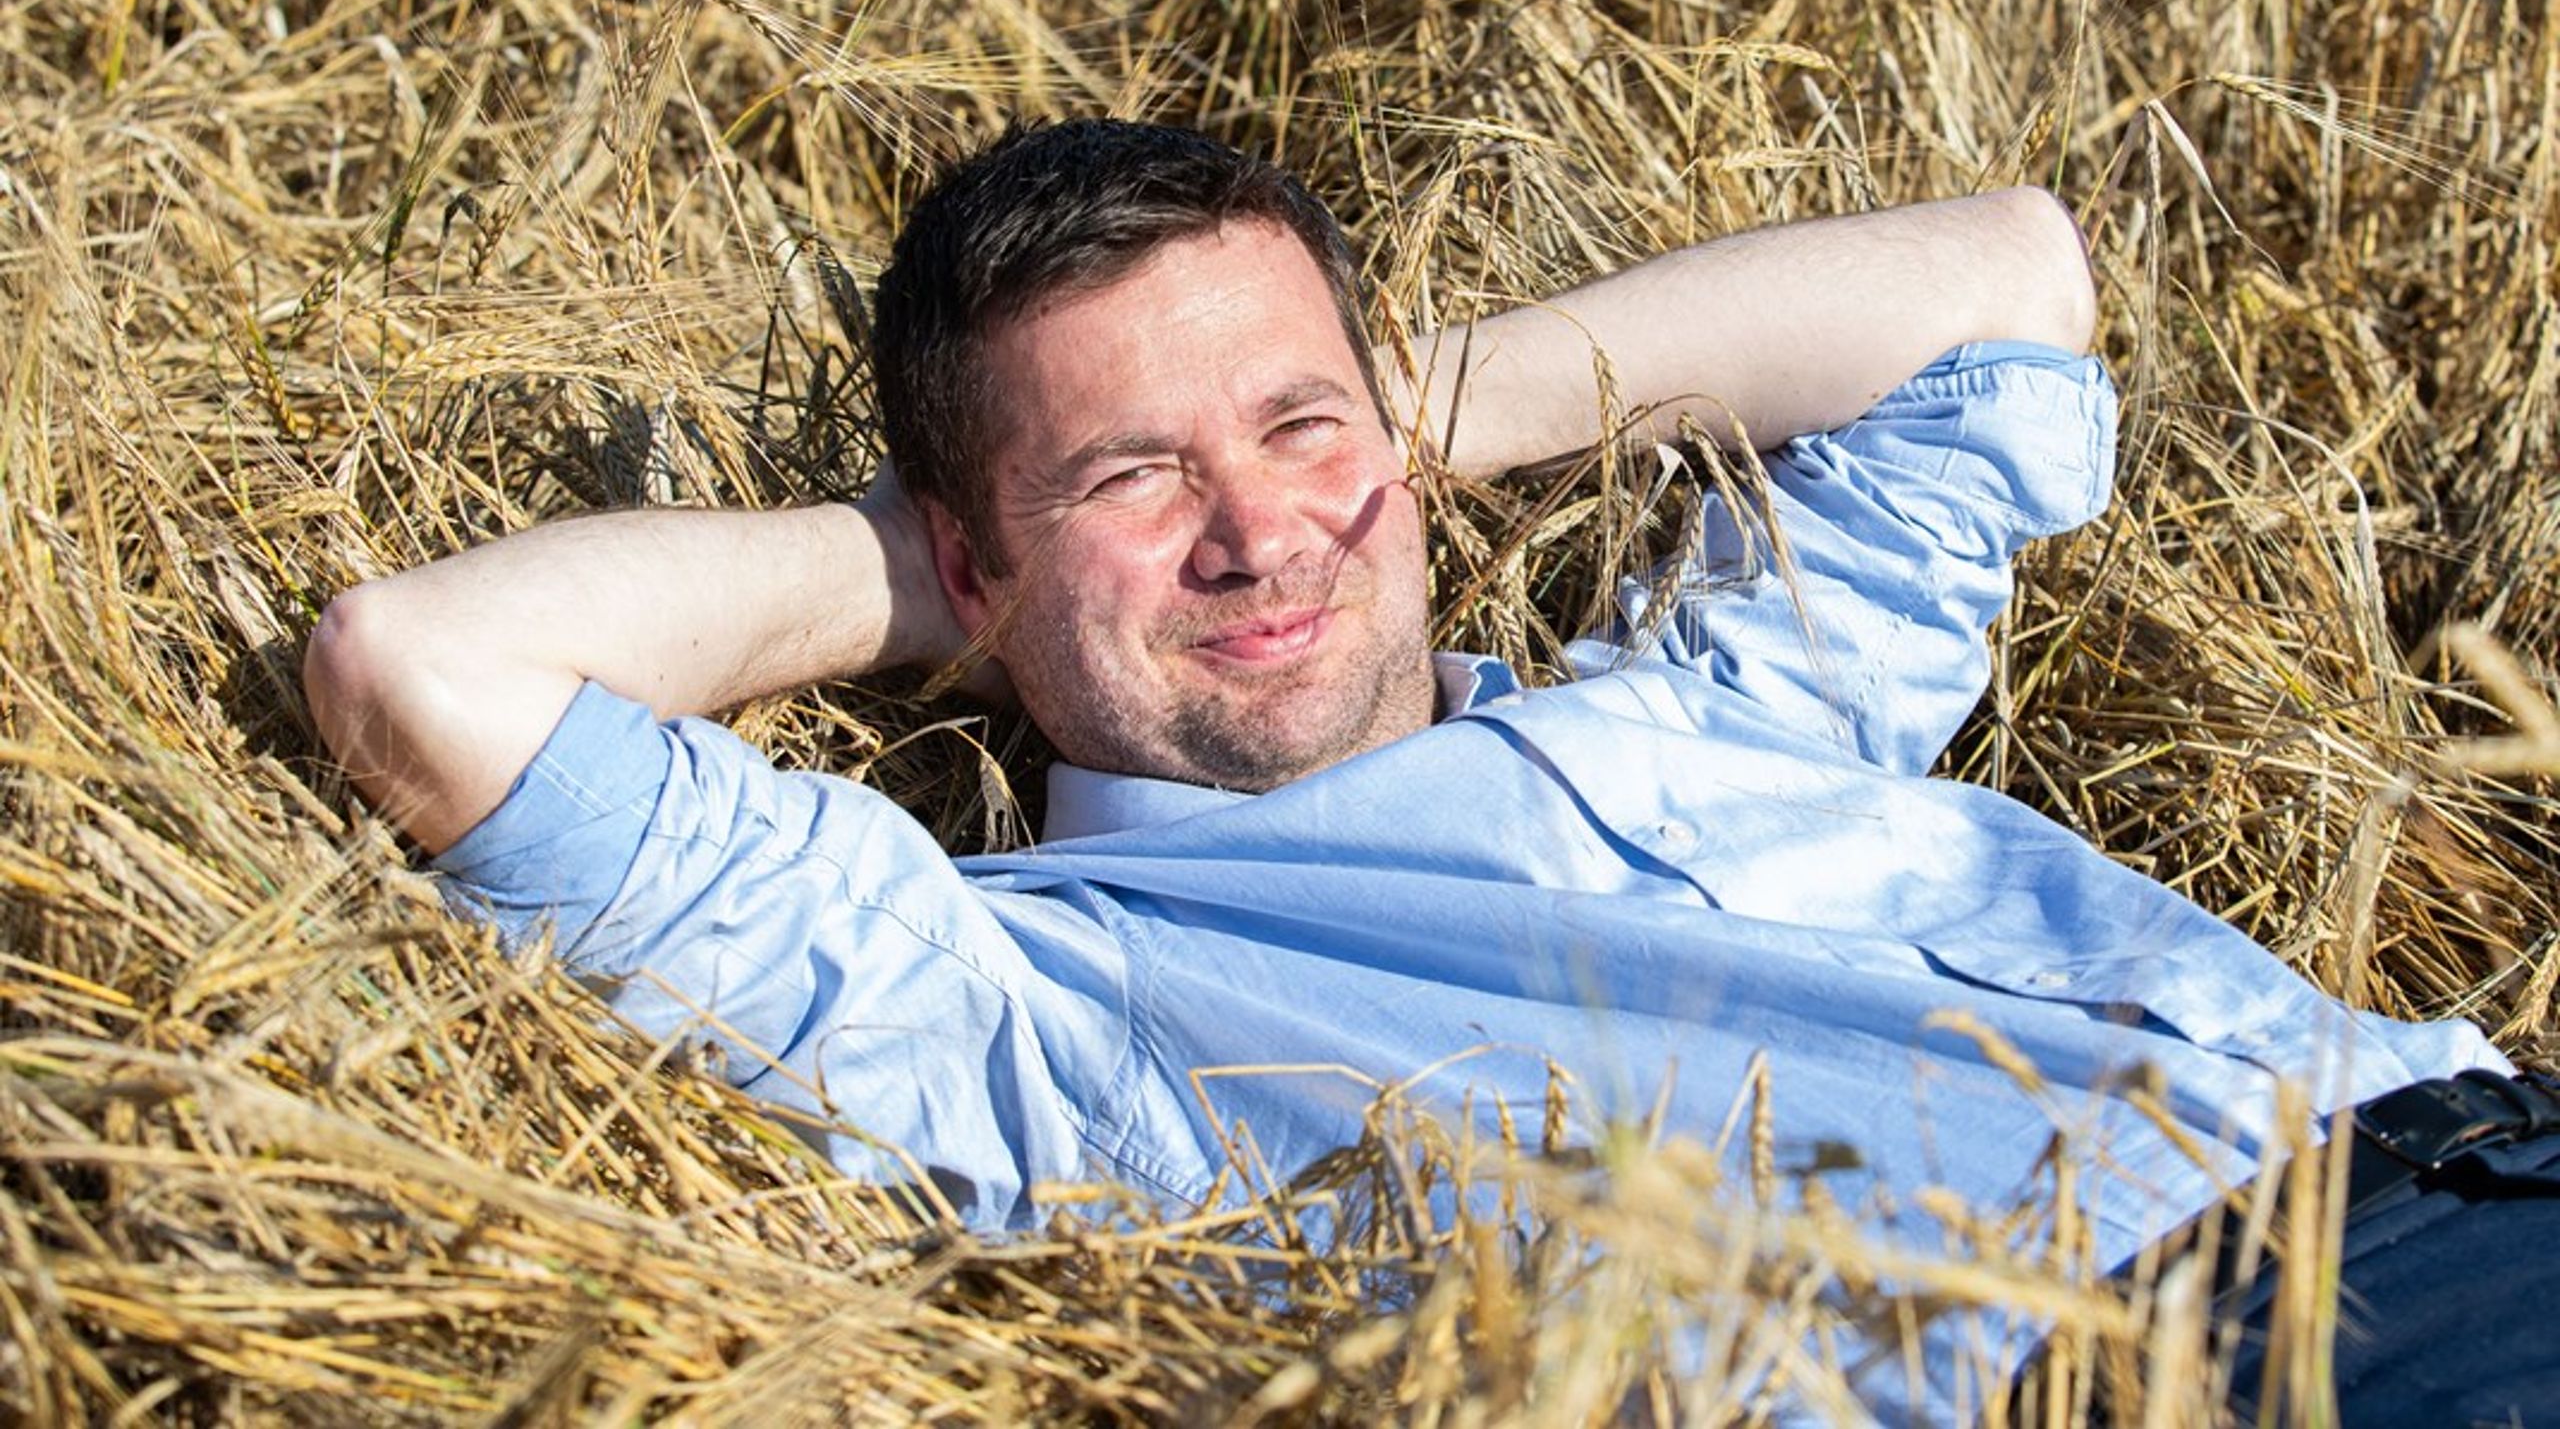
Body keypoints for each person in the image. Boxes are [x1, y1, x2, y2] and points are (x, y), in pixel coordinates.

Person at [304, 120, 2556, 1419]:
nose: (1258, 531)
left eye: (1300, 434)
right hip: (2150, 1375)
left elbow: (1999, 279)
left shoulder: (1709, 702)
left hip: (2464, 1158)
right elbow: (427, 667)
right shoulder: (1032, 999)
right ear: (972, 563)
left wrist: (1391, 417)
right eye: (1129, 479)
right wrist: (950, 572)